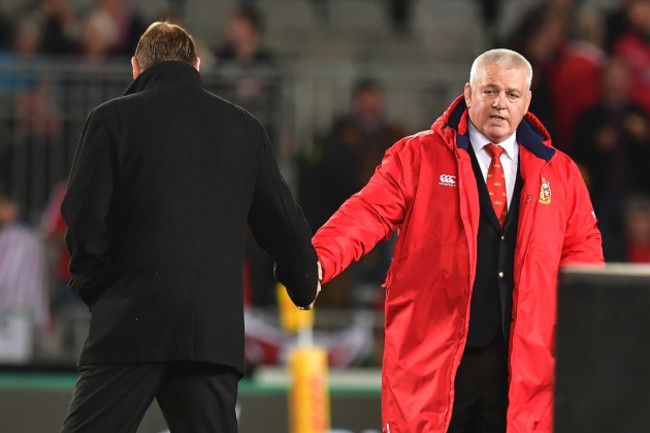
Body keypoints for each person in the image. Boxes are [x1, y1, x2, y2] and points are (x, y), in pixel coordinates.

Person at [312, 48, 604, 432]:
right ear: (468, 94)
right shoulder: (416, 156)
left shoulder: (561, 173)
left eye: (512, 95)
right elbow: (368, 213)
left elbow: (583, 254)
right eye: (490, 91)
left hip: (522, 369)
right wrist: (318, 260)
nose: (501, 103)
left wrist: (590, 331)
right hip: (436, 359)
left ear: (527, 101)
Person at [59, 21, 319, 433]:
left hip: (130, 324)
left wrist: (98, 290)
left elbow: (82, 218)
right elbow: (284, 222)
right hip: (209, 333)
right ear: (196, 65)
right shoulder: (244, 128)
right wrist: (303, 283)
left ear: (135, 68)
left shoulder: (110, 120)